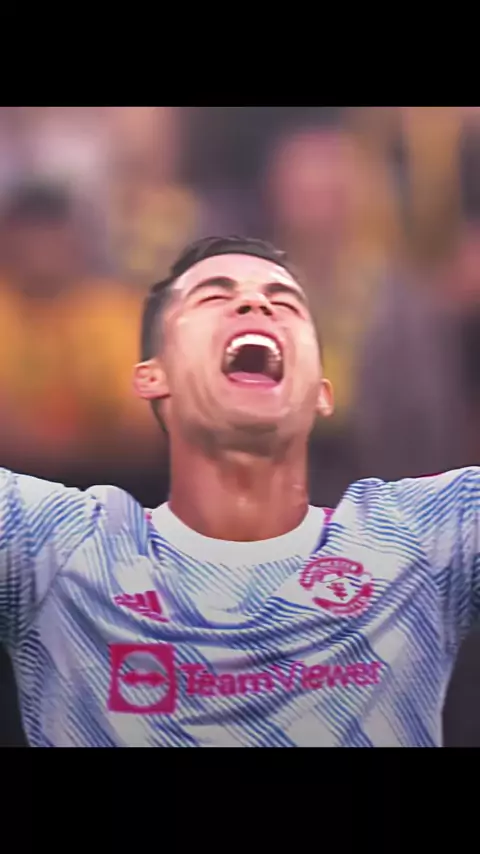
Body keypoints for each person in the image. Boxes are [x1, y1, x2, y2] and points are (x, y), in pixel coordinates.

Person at [0, 235, 478, 748]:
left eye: (285, 302)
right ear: (152, 377)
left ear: (323, 391)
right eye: (213, 295)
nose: (256, 303)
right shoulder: (53, 545)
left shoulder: (427, 536)